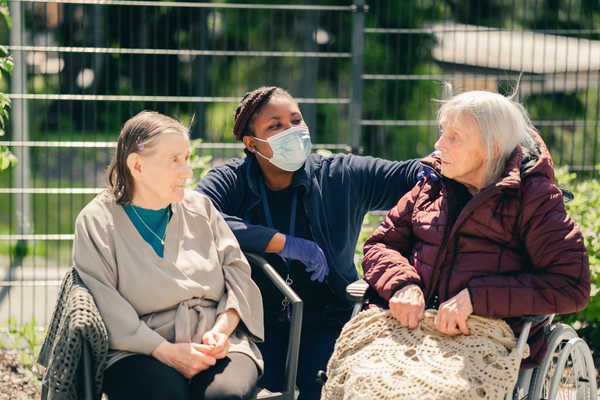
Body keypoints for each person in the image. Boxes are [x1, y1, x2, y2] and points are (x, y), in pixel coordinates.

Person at [195, 86, 422, 399]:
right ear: (252, 143)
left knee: (328, 387)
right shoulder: (231, 180)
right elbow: (200, 215)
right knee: (258, 390)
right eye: (275, 126)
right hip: (257, 321)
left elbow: (408, 175)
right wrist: (283, 243)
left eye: (296, 120)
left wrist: (448, 159)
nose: (292, 131)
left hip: (329, 316)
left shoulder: (339, 176)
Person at [361, 90, 590, 369]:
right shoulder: (432, 185)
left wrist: (477, 298)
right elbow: (380, 245)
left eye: (454, 137)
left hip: (484, 341)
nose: (438, 144)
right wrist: (403, 284)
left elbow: (570, 285)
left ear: (492, 149)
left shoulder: (534, 199)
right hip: (409, 328)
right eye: (442, 132)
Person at [73, 111, 264, 400]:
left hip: (215, 338)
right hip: (138, 348)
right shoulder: (97, 221)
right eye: (174, 160)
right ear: (137, 165)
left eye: (186, 159)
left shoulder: (201, 208)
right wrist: (165, 351)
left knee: (224, 397)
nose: (187, 173)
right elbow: (104, 300)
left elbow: (238, 273)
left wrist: (222, 330)